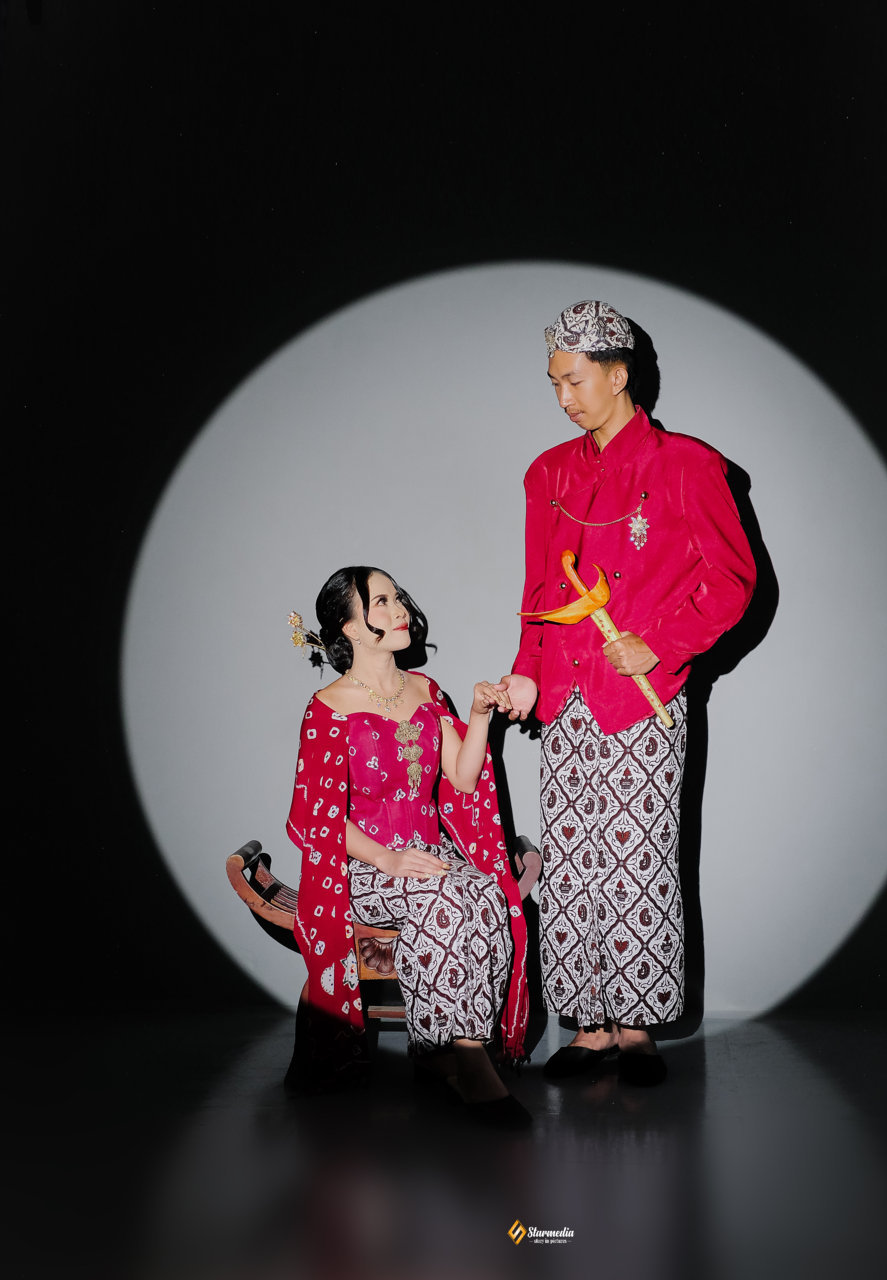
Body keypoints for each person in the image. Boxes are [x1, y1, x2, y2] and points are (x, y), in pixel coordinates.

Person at [501, 300, 756, 1085]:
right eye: (553, 382)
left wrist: (664, 643)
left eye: (575, 380)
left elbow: (733, 580)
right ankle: (589, 1027)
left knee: (639, 859)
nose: (563, 397)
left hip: (642, 696)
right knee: (573, 860)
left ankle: (637, 1027)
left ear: (618, 375)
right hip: (566, 697)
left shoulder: (689, 465)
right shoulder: (548, 473)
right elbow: (539, 590)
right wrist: (526, 670)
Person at [285, 565, 530, 1127]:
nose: (400, 610)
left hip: (426, 855)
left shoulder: (425, 690)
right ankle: (466, 1062)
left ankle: (445, 1052)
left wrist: (478, 715)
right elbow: (318, 817)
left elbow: (462, 779)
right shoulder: (328, 708)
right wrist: (386, 858)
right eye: (382, 602)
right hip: (363, 866)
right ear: (349, 627)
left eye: (397, 598)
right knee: (442, 901)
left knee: (484, 894)